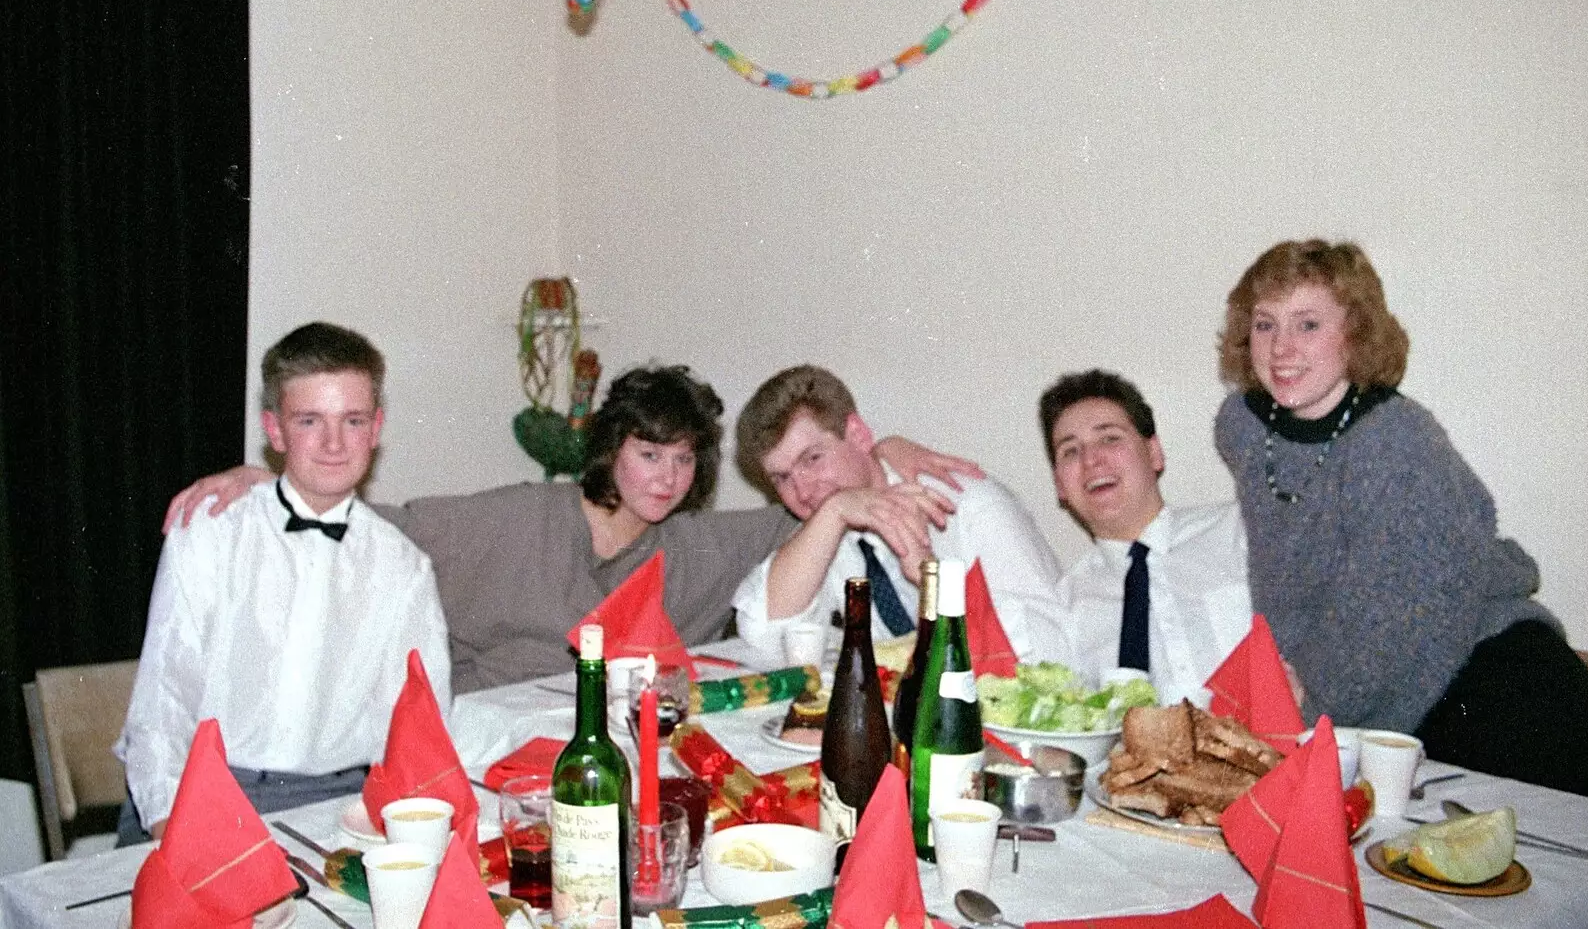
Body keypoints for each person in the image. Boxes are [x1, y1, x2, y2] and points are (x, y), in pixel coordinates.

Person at [166, 365, 977, 692]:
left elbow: (809, 502)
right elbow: (377, 523)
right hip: (477, 757)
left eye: (686, 459)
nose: (668, 478)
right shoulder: (518, 519)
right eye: (649, 453)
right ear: (609, 448)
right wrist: (268, 480)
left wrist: (888, 455)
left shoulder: (693, 548)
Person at [1214, 238, 1588, 796]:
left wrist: (1301, 705)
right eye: (1265, 324)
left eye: (1309, 324)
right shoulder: (1246, 430)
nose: (1281, 348)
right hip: (1391, 708)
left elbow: (1385, 624)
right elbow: (1294, 585)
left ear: (1355, 332)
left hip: (1493, 682)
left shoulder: (1396, 442)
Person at [116, 322, 451, 843]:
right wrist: (174, 829)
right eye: (310, 420)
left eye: (354, 420)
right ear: (275, 431)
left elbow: (417, 731)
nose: (335, 443)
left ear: (377, 428)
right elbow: (162, 707)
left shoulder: (404, 567)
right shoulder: (209, 534)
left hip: (335, 805)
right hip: (203, 793)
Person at [731, 365, 1069, 662]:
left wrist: (932, 583)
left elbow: (1046, 654)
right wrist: (833, 512)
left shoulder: (970, 505)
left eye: (813, 459)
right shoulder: (830, 518)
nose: (803, 492)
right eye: (782, 478)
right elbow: (764, 640)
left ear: (858, 435)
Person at [1040, 369, 1249, 704]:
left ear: (1154, 454)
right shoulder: (1064, 608)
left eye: (1109, 438)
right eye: (1071, 451)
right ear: (1060, 486)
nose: (1092, 460)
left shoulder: (1242, 530)